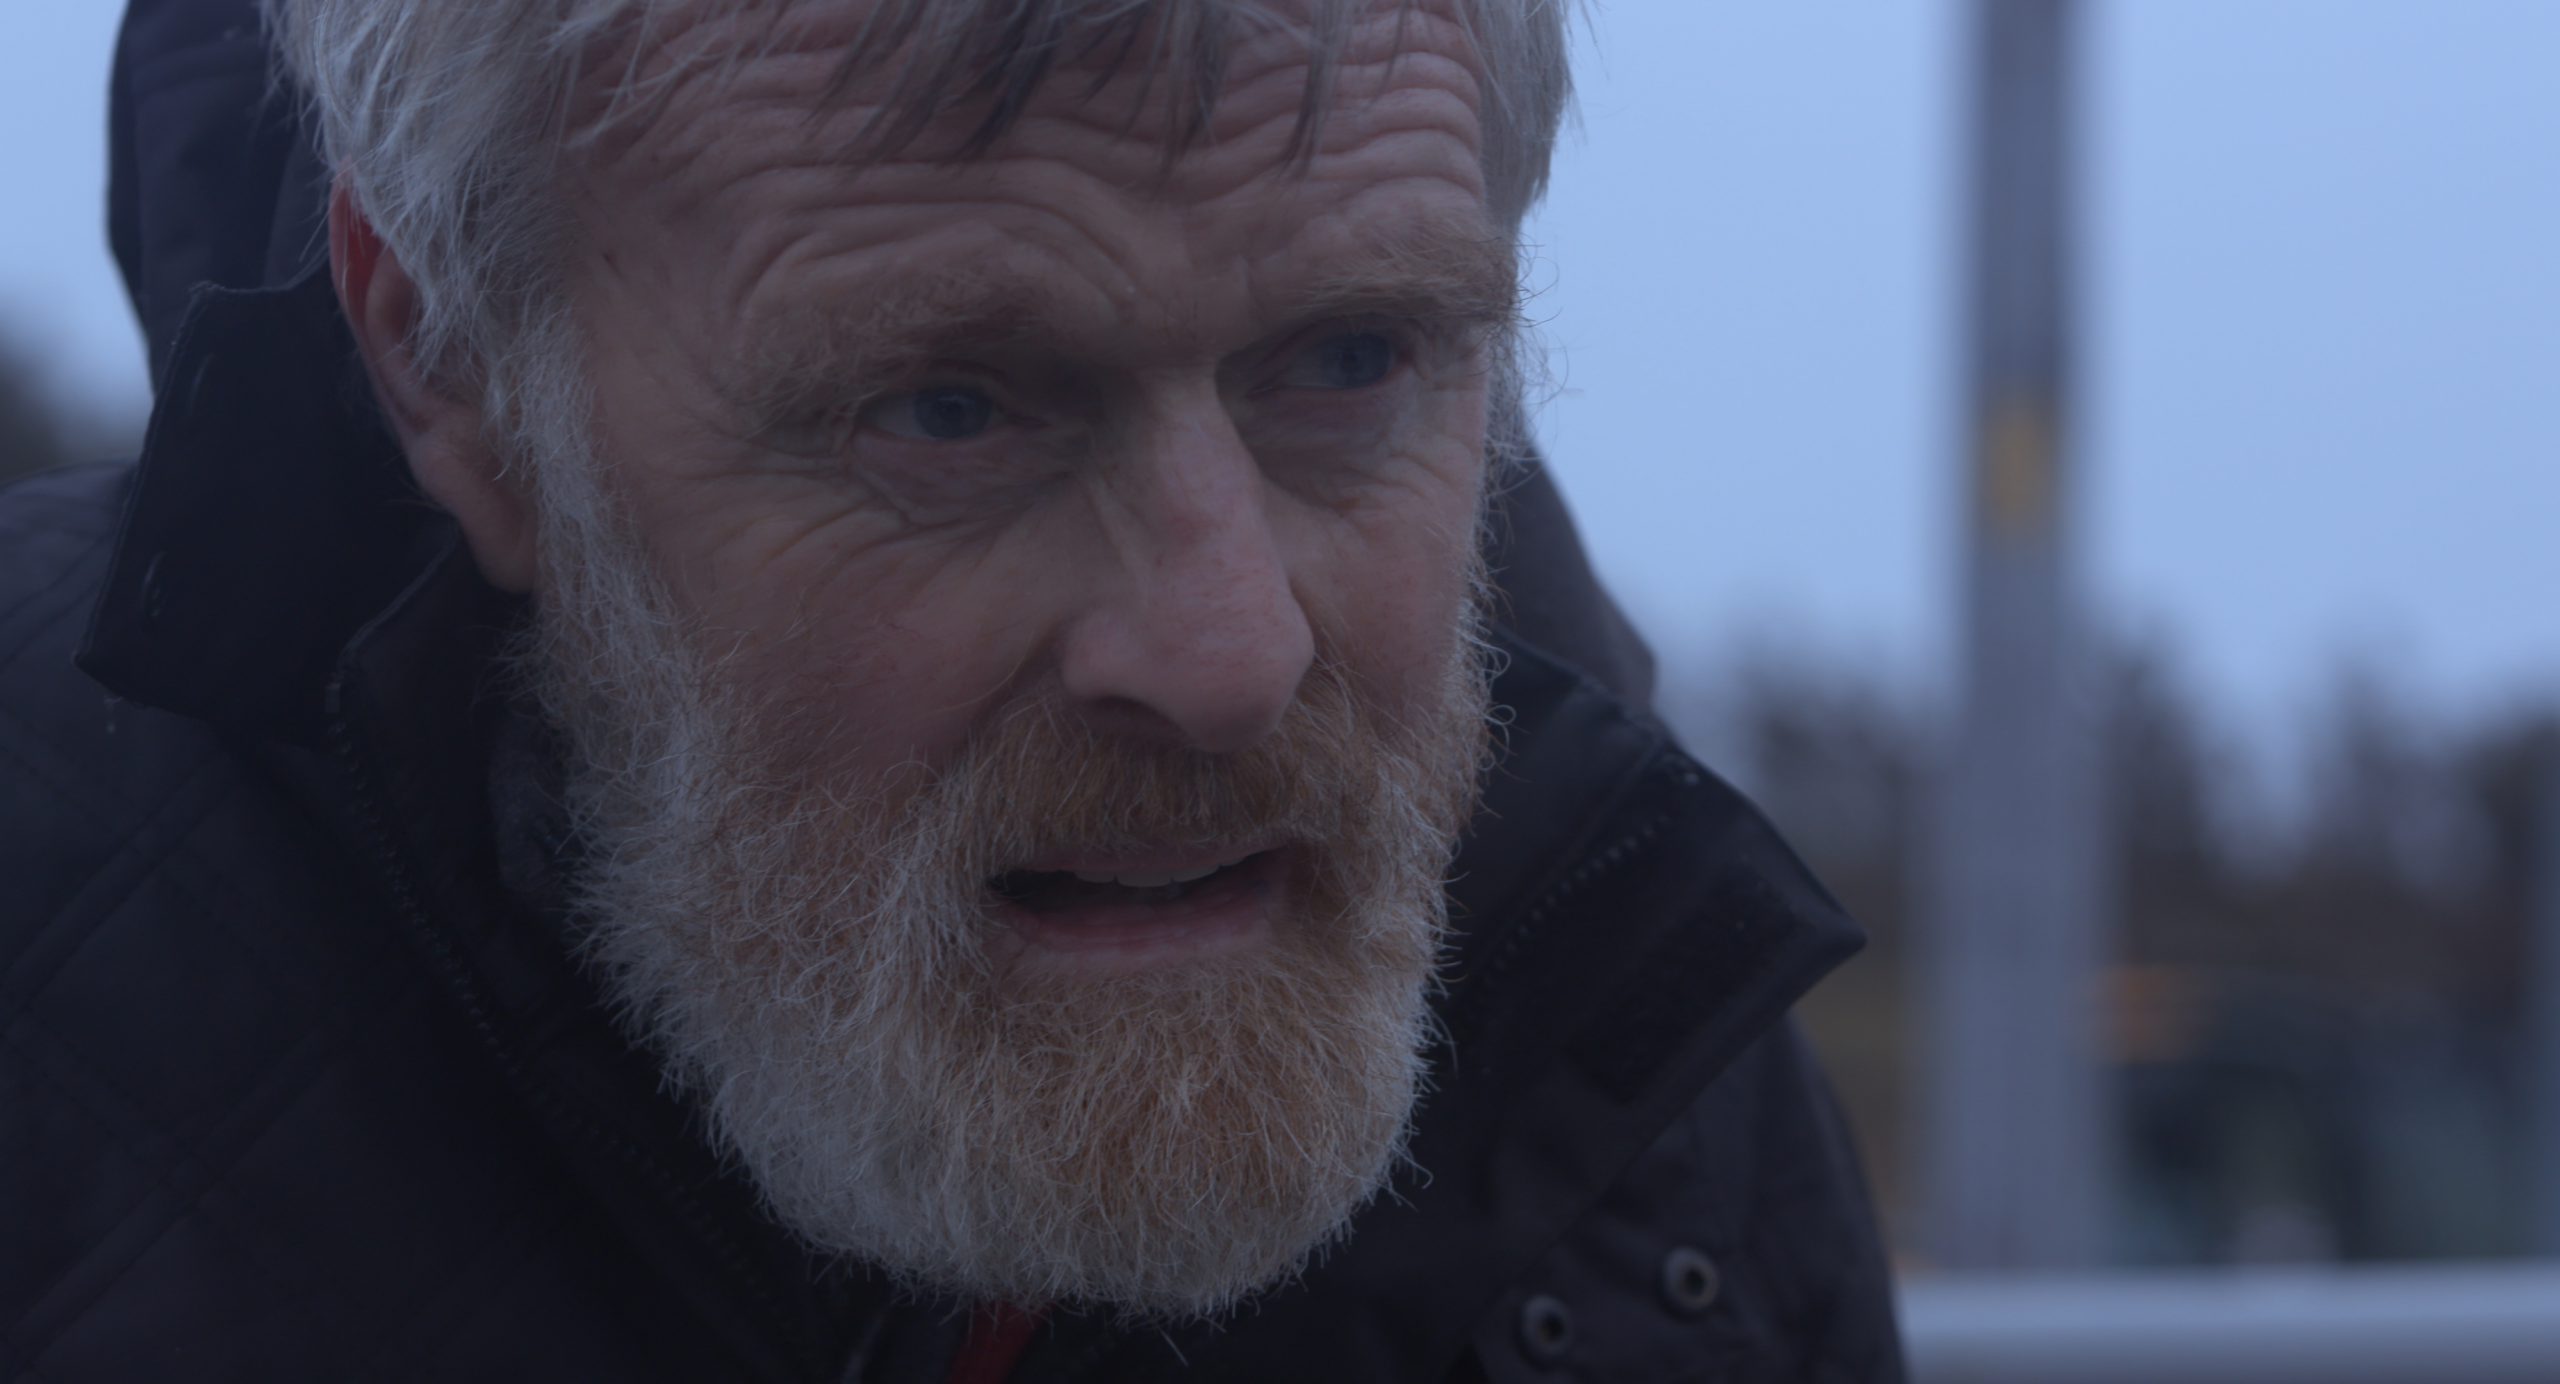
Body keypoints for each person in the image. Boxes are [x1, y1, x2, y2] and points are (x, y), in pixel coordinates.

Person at [1, 1, 1903, 1379]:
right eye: (951, 409)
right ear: (452, 359)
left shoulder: (1634, 1032)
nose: (1228, 656)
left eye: (1351, 361)